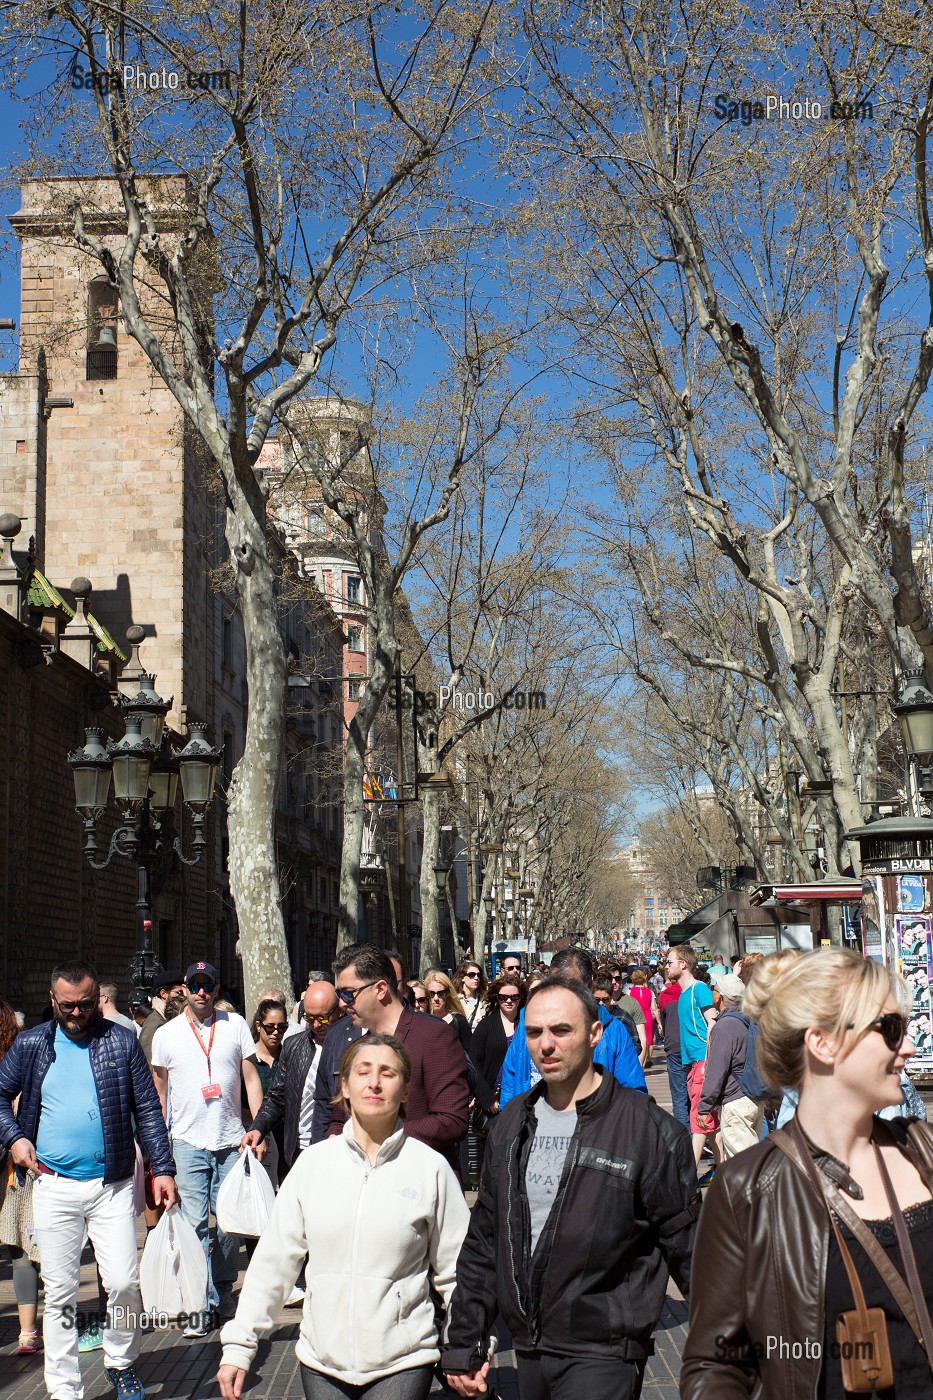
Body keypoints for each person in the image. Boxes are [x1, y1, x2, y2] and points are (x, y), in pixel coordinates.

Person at [681, 946, 933, 1399]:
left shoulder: (925, 1152)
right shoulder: (748, 1189)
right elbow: (715, 1366)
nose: (909, 1046)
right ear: (823, 1042)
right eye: (891, 1029)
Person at [442, 976, 698, 1400]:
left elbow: (690, 1248)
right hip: (528, 1349)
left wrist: (732, 1350)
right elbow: (485, 1242)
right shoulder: (509, 1127)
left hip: (604, 1352)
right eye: (535, 1032)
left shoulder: (649, 1131)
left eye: (562, 1031)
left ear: (595, 1034)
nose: (546, 1045)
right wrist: (464, 1343)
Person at [217, 1034, 470, 1400]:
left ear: (405, 1090)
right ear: (345, 1087)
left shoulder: (430, 1168)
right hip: (322, 1360)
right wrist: (240, 1345)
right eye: (363, 1071)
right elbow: (274, 1262)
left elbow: (458, 1271)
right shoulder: (313, 1164)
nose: (375, 1082)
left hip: (403, 1359)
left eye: (388, 1073)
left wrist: (471, 1347)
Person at [0, 961, 177, 1400]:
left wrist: (164, 1168)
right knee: (59, 1290)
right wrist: (15, 1139)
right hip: (53, 1186)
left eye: (83, 1005)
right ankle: (64, 1388)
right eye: (67, 1006)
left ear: (97, 999)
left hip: (110, 1185)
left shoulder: (120, 1042)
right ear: (52, 999)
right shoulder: (31, 1045)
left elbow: (148, 1110)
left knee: (123, 1282)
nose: (76, 1014)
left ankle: (120, 1360)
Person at [151, 961, 264, 1337]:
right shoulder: (166, 1034)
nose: (201, 991)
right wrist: (158, 1149)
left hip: (232, 1139)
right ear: (184, 988)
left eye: (208, 985)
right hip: (185, 1142)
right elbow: (160, 1095)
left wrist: (258, 1128)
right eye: (194, 985)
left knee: (231, 1224)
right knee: (195, 1225)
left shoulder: (235, 1026)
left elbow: (251, 1078)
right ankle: (199, 1303)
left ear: (216, 989)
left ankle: (224, 1290)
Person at [311, 944, 469, 1178]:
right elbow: (338, 1117)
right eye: (339, 994)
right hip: (363, 1186)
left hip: (420, 1184)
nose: (343, 1003)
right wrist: (336, 1137)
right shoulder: (354, 1047)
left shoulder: (434, 1036)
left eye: (348, 993)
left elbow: (452, 1120)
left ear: (381, 989)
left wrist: (378, 1136)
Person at [499, 947, 647, 1105]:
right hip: (533, 1124)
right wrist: (508, 1124)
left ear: (589, 986)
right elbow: (510, 1079)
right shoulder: (527, 1022)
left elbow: (634, 1094)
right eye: (556, 985)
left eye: (572, 986)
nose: (563, 993)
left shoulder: (613, 1030)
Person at [243, 981, 342, 1172]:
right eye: (309, 1017)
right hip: (297, 1152)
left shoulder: (352, 1045)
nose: (314, 1024)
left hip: (335, 1149)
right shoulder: (294, 1046)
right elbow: (277, 1097)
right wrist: (258, 1128)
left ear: (338, 1012)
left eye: (322, 1018)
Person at [0, 996, 42, 1357]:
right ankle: (27, 1331)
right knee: (23, 1248)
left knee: (20, 1246)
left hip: (15, 1169)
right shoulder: (24, 1060)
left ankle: (29, 1330)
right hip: (20, 1168)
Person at [694, 973, 763, 1159]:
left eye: (714, 989)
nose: (712, 992)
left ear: (719, 996)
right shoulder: (749, 1021)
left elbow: (716, 1071)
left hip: (736, 1102)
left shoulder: (724, 1027)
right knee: (752, 1158)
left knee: (744, 1164)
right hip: (754, 1099)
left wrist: (704, 1107)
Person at [672, 946, 721, 1170]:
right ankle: (724, 1172)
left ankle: (688, 1177)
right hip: (693, 1063)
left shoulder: (698, 989)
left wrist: (708, 1062)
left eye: (670, 962)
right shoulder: (683, 993)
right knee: (710, 1122)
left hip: (702, 1061)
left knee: (698, 1119)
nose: (666, 966)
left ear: (683, 964)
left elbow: (713, 1021)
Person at [659, 961, 689, 1128]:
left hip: (673, 1047)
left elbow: (664, 1020)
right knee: (694, 1094)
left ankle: (685, 1138)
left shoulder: (665, 996)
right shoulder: (693, 992)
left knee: (679, 1097)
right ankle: (697, 1136)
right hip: (693, 1048)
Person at [137, 969, 186, 1065]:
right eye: (179, 992)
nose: (183, 996)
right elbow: (148, 1062)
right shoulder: (155, 1023)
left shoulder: (171, 1017)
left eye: (185, 992)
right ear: (163, 993)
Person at [423, 968, 472, 1055]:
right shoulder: (421, 1021)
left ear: (448, 994)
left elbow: (470, 1054)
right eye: (431, 994)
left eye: (441, 993)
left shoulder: (459, 1021)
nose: (436, 998)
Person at [629, 970, 660, 1068]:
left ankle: (637, 1064)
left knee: (636, 1041)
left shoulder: (629, 991)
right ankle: (645, 1062)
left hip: (635, 1019)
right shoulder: (650, 992)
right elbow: (654, 1009)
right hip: (647, 1018)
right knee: (647, 1042)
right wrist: (659, 1022)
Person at [453, 962, 488, 1028]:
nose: (476, 978)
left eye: (479, 975)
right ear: (462, 977)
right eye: (472, 975)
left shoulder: (485, 1000)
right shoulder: (454, 1000)